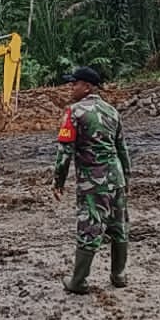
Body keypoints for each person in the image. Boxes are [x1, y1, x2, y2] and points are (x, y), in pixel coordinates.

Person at [53, 66, 132, 294]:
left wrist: (58, 181)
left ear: (87, 87)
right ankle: (119, 275)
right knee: (118, 226)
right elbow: (122, 148)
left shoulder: (74, 112)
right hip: (115, 178)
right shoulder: (112, 111)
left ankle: (78, 281)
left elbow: (65, 152)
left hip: (92, 181)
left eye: (75, 83)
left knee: (90, 226)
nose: (71, 87)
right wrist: (126, 177)